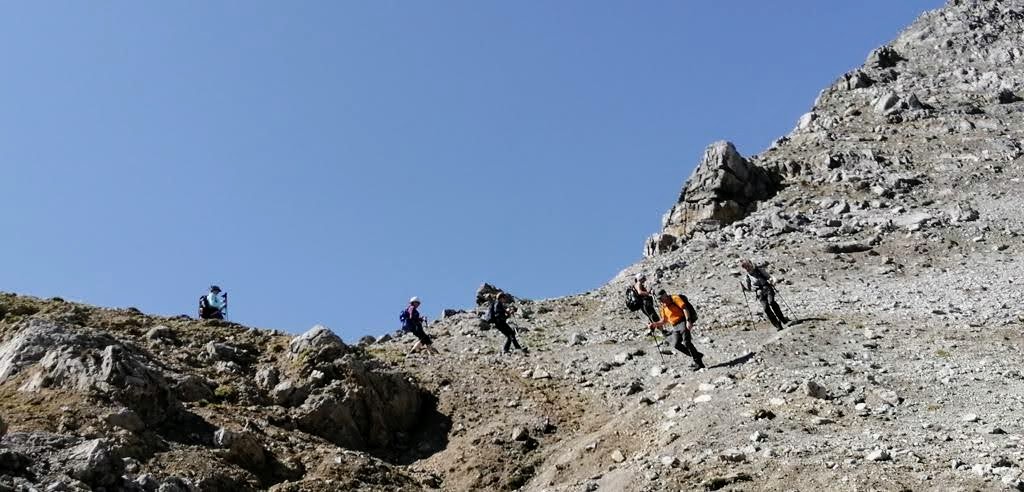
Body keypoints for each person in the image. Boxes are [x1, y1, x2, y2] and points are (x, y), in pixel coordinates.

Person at [649, 290, 704, 370]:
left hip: (682, 321)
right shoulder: (662, 307)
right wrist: (654, 324)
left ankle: (699, 363)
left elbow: (684, 308)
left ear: (665, 295)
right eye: (658, 299)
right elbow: (664, 321)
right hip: (675, 326)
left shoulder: (675, 298)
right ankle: (697, 355)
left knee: (686, 342)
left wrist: (688, 321)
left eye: (661, 298)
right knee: (676, 344)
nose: (660, 300)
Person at [740, 259, 790, 331]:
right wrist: (744, 289)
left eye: (747, 266)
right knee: (766, 308)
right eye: (745, 267)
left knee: (771, 302)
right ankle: (777, 325)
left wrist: (772, 281)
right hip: (759, 293)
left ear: (751, 265)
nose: (747, 268)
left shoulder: (760, 271)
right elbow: (750, 289)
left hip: (767, 289)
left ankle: (782, 319)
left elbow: (769, 277)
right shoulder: (747, 277)